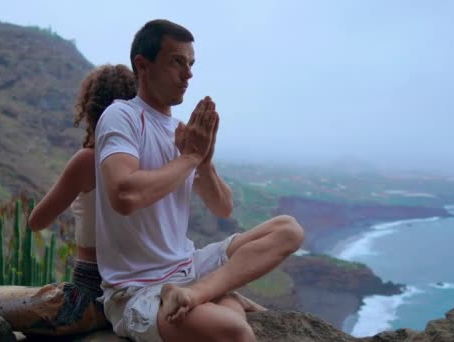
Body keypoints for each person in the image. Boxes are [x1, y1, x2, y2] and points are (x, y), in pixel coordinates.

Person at [94, 19, 305, 342]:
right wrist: (189, 158)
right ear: (143, 65)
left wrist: (204, 161)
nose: (188, 74)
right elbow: (124, 196)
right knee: (233, 330)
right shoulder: (121, 116)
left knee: (288, 229)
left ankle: (197, 294)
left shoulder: (181, 131)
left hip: (187, 268)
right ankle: (221, 299)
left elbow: (223, 207)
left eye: (191, 64)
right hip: (136, 289)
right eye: (177, 62)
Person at [0, 64, 137, 336]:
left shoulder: (87, 160)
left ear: (90, 110)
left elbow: (37, 221)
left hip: (89, 296)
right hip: (136, 291)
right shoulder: (148, 162)